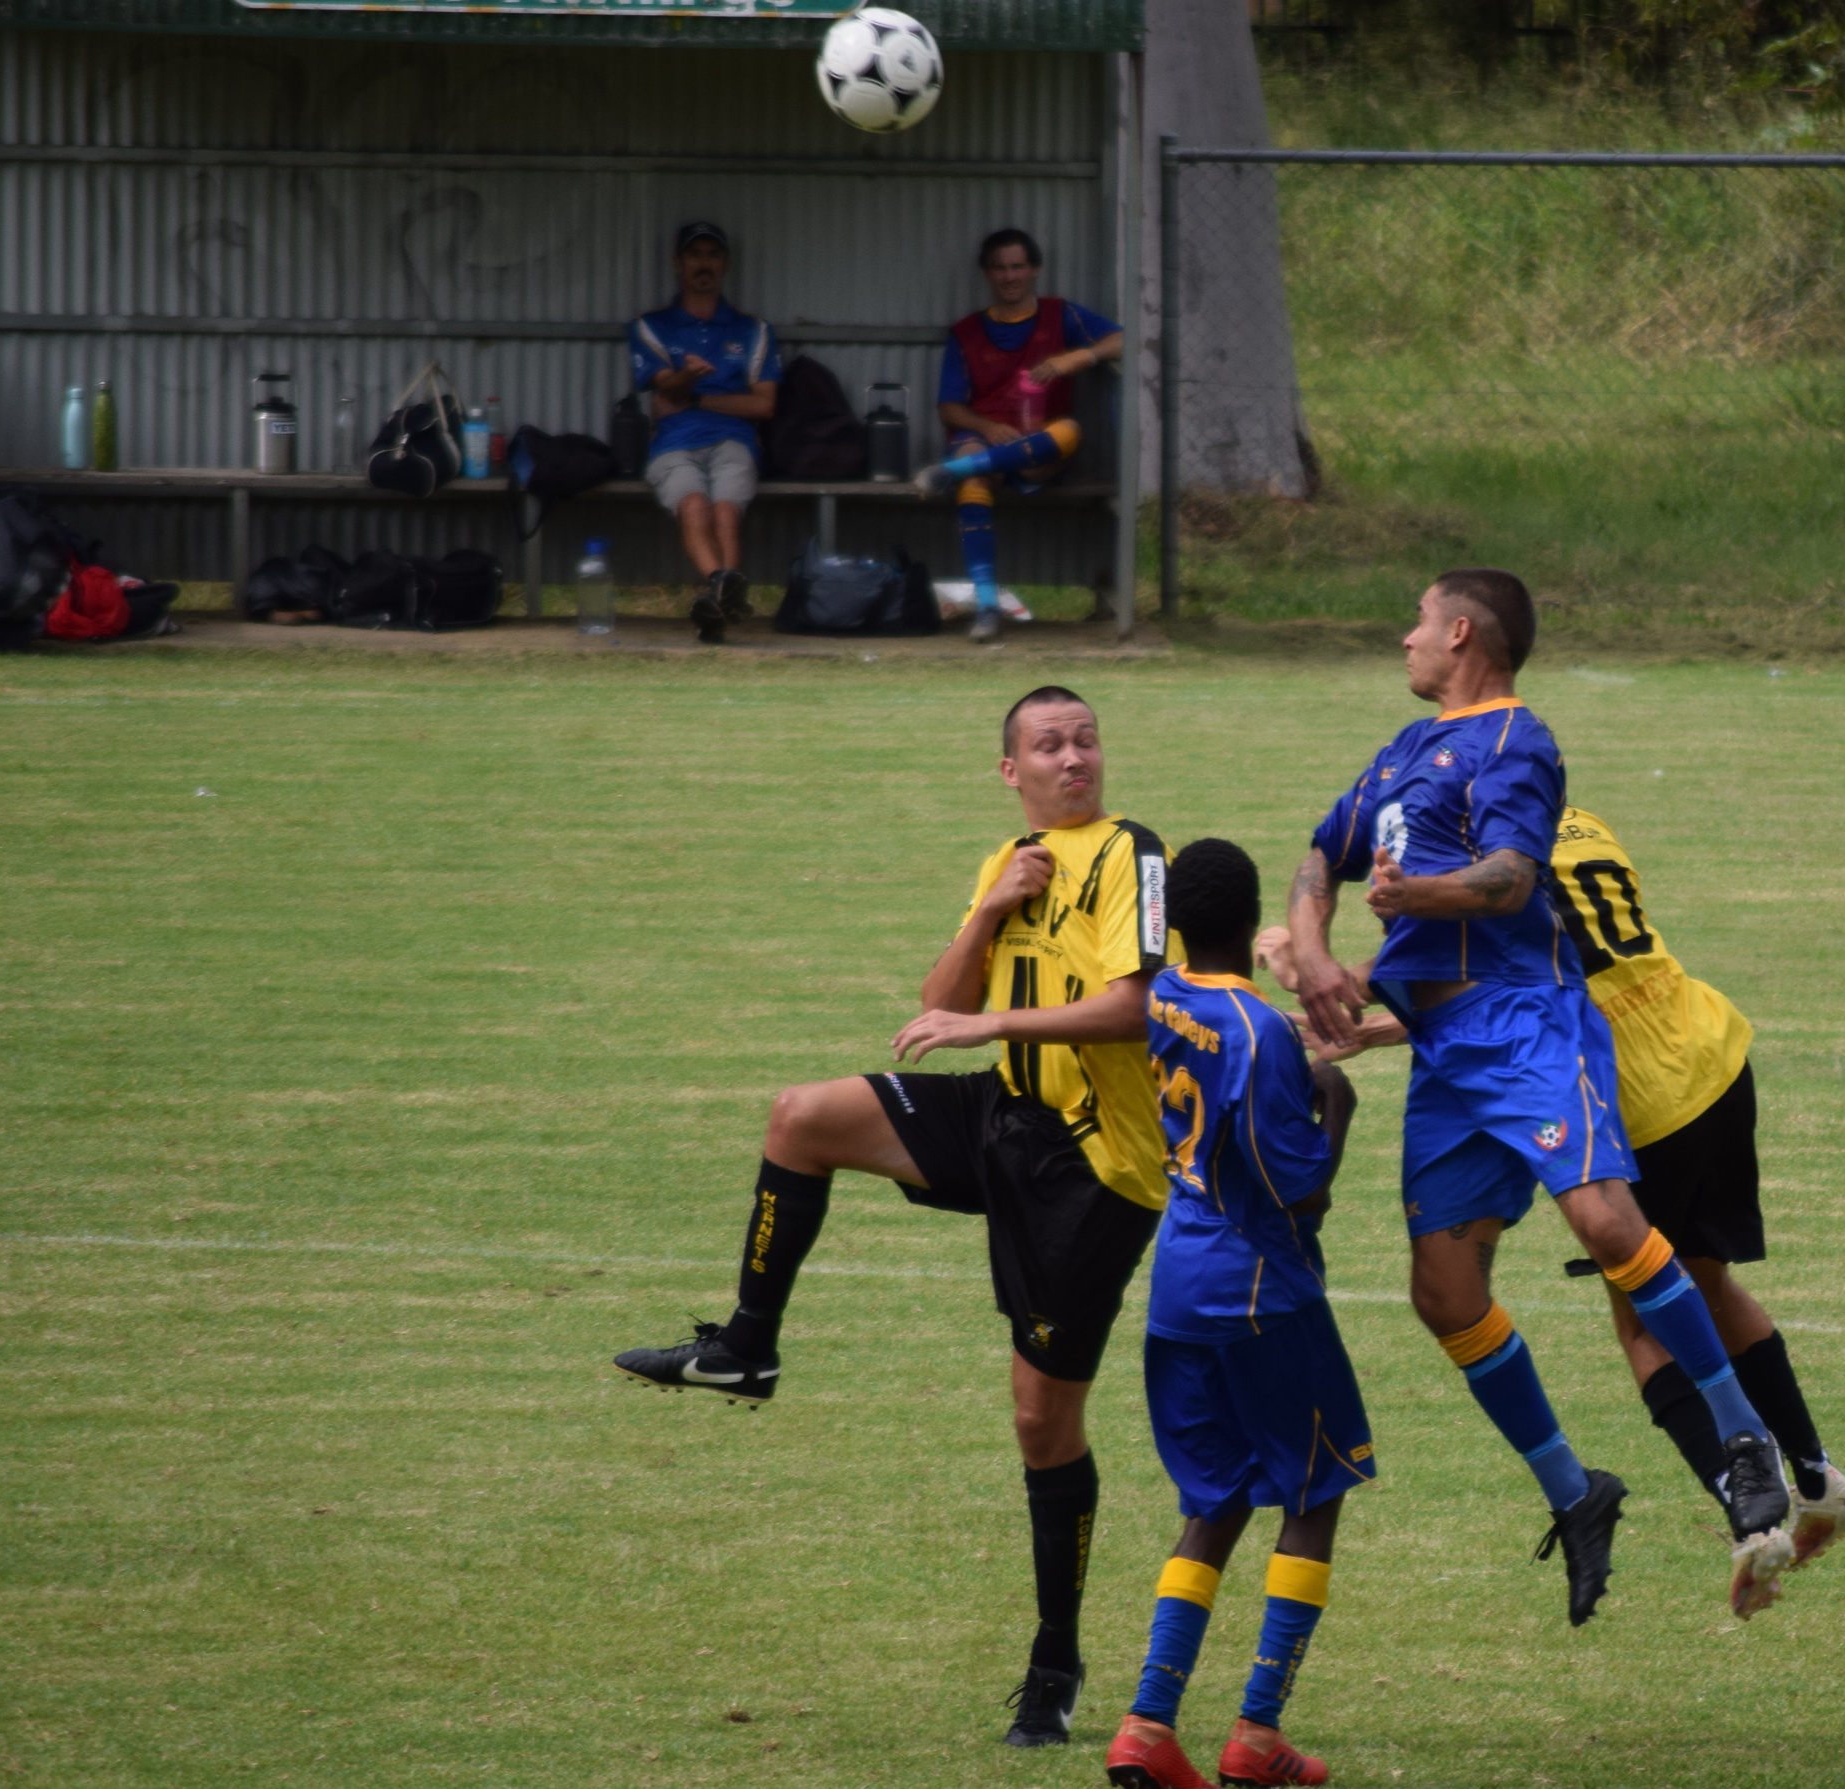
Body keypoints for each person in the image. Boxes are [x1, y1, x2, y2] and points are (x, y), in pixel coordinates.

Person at [610, 685, 1173, 1747]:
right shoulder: (1011, 857)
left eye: (1085, 739)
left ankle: (1054, 1663)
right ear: (1011, 770)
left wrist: (993, 1019)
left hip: (1093, 1171)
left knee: (1039, 1423)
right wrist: (992, 905)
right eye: (1048, 745)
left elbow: (1140, 1007)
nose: (1074, 758)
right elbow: (937, 992)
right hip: (1005, 1111)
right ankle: (745, 1348)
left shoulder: (1130, 852)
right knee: (803, 1117)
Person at [1282, 567, 1795, 1626]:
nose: (1405, 638)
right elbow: (1314, 855)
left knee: (1607, 1217)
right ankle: (1574, 1489)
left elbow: (1512, 879)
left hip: (1522, 1018)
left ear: (1460, 631)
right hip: (1443, 1052)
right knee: (1444, 1293)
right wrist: (1317, 953)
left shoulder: (1516, 743)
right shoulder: (1399, 752)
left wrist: (1407, 897)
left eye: (1418, 621)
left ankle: (1744, 1440)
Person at [1259, 806, 1845, 1618]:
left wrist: (1320, 966)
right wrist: (1383, 1027)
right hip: (1709, 1050)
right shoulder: (1577, 823)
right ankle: (1818, 1475)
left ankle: (1745, 1500)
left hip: (1636, 1091)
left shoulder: (1470, 866)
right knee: (1707, 1287)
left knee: (1647, 1320)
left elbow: (1501, 979)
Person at [1105, 839, 1367, 1789]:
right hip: (1259, 1291)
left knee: (1213, 1500)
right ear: (1248, 911)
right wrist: (1334, 1104)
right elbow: (1299, 1189)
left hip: (1177, 1287)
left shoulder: (1167, 991)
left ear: (1174, 919)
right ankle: (1256, 1730)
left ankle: (1145, 1724)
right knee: (1316, 1485)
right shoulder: (1262, 1034)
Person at [914, 228, 1125, 644]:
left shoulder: (1059, 314)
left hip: (1038, 446)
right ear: (986, 274)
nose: (1009, 276)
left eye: (1017, 266)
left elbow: (1125, 338)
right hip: (986, 436)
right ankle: (989, 608)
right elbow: (949, 408)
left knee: (1071, 430)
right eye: (999, 268)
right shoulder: (967, 332)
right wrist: (987, 426)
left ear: (1034, 270)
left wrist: (1078, 358)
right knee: (975, 484)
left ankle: (951, 471)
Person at [628, 221, 781, 645]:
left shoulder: (753, 329)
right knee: (694, 506)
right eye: (695, 255)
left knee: (726, 512)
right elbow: (664, 389)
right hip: (674, 443)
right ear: (678, 264)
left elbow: (764, 405)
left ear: (726, 265)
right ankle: (723, 595)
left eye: (713, 255)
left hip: (735, 440)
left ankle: (717, 599)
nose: (704, 264)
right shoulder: (651, 325)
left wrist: (694, 397)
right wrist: (685, 378)